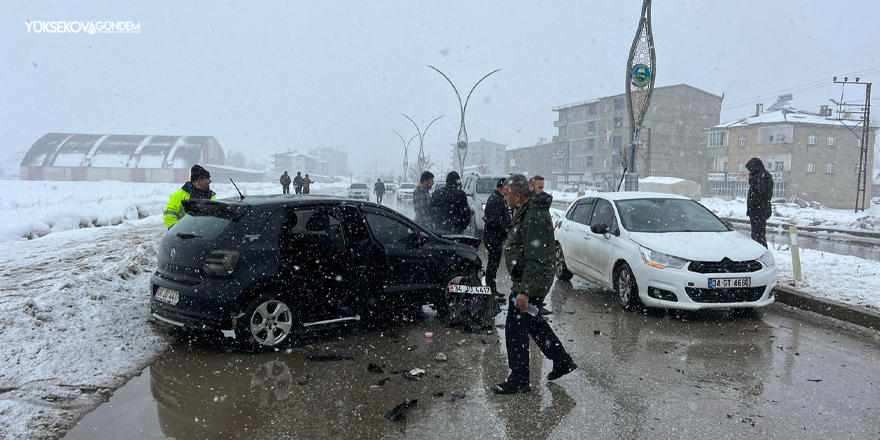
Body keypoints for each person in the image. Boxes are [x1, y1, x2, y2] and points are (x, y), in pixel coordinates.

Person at [495, 174, 576, 394]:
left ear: (518, 195)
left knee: (515, 329)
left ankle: (520, 379)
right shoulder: (526, 210)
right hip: (526, 282)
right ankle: (562, 360)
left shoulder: (533, 216)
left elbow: (536, 258)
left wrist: (525, 292)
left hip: (529, 285)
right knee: (533, 323)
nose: (505, 199)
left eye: (507, 195)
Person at [163, 164, 217, 229]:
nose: (210, 181)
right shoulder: (179, 195)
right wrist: (179, 230)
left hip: (204, 236)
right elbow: (168, 215)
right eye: (207, 178)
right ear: (199, 181)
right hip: (185, 236)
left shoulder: (211, 196)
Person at [482, 177, 511, 297]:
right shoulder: (496, 200)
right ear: (501, 188)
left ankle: (491, 289)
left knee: (493, 264)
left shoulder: (497, 198)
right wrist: (507, 228)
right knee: (493, 264)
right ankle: (491, 290)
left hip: (494, 237)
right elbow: (495, 221)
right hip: (493, 237)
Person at [746, 157, 774, 247]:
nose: (750, 172)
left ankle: (761, 253)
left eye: (751, 169)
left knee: (758, 235)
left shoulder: (762, 176)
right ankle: (758, 251)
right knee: (757, 234)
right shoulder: (761, 176)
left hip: (759, 210)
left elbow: (760, 193)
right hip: (758, 210)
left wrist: (752, 180)